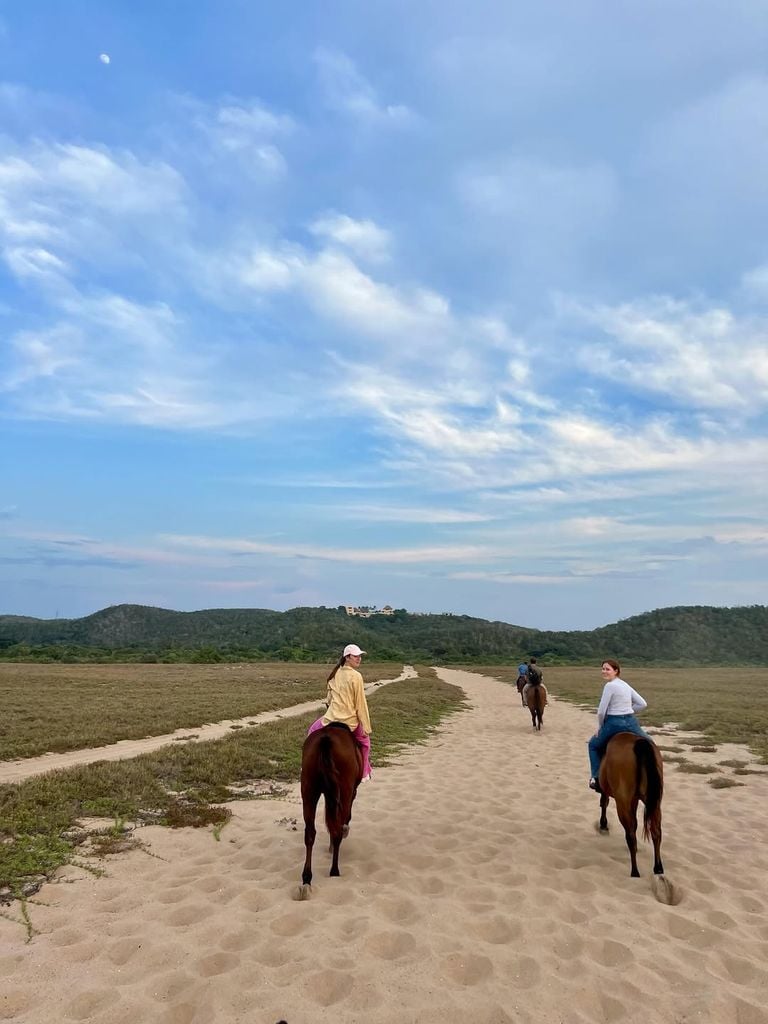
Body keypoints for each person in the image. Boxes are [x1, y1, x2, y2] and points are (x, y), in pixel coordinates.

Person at [307, 643, 372, 781]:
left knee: (312, 731)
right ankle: (364, 772)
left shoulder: (335, 673)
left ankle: (306, 766)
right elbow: (361, 703)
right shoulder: (356, 676)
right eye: (356, 656)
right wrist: (366, 726)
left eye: (359, 656)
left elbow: (329, 699)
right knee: (365, 743)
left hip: (331, 718)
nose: (359, 658)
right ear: (347, 657)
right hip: (350, 721)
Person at [587, 659, 649, 791]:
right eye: (603, 669)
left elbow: (601, 711)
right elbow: (643, 704)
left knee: (592, 745)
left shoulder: (609, 686)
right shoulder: (625, 685)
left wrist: (600, 726)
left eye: (607, 669)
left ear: (616, 671)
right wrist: (630, 711)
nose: (604, 671)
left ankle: (595, 777)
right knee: (650, 744)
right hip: (631, 721)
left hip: (614, 722)